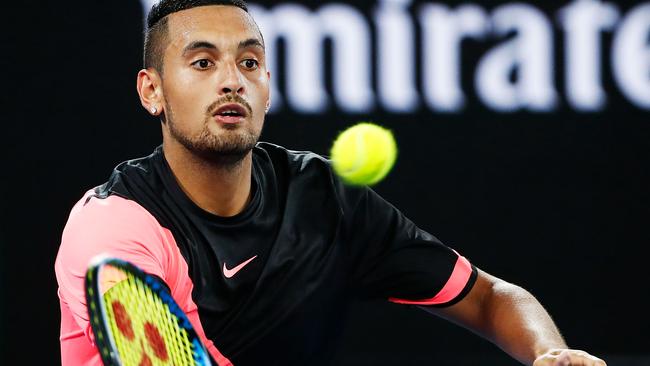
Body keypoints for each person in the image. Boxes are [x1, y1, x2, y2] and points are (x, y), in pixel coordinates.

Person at [54, 1, 606, 365]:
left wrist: (549, 355)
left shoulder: (321, 198)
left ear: (267, 86)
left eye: (250, 63)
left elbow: (488, 297)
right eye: (202, 63)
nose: (231, 80)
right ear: (152, 91)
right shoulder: (115, 228)